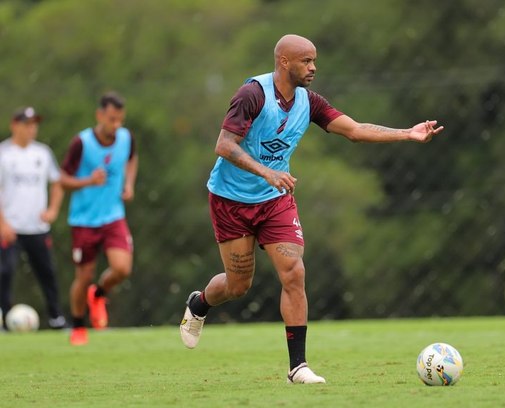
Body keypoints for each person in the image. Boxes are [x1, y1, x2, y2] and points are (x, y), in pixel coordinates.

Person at [179, 34, 443, 384]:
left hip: (275, 201)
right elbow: (224, 145)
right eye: (306, 61)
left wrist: (407, 133)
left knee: (294, 273)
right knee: (238, 286)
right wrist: (267, 171)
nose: (313, 67)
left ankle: (297, 367)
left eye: (314, 60)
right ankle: (199, 304)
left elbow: (354, 130)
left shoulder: (309, 102)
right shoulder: (252, 95)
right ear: (284, 62)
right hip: (231, 200)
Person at [60, 92, 138, 346]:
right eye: (112, 119)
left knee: (122, 268)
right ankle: (78, 326)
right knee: (83, 276)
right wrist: (88, 181)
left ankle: (99, 294)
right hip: (84, 220)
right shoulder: (81, 143)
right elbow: (62, 179)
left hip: (113, 216)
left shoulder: (126, 138)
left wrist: (128, 184)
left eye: (120, 120)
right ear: (100, 115)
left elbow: (132, 158)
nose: (116, 125)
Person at [0, 107, 67, 331]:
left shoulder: (42, 153)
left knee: (47, 272)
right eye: (27, 124)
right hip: (11, 228)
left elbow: (57, 182)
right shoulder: (3, 153)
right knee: (5, 273)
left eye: (34, 124)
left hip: (37, 227)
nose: (31, 129)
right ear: (14, 125)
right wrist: (2, 223)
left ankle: (56, 318)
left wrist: (53, 210)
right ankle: (5, 319)